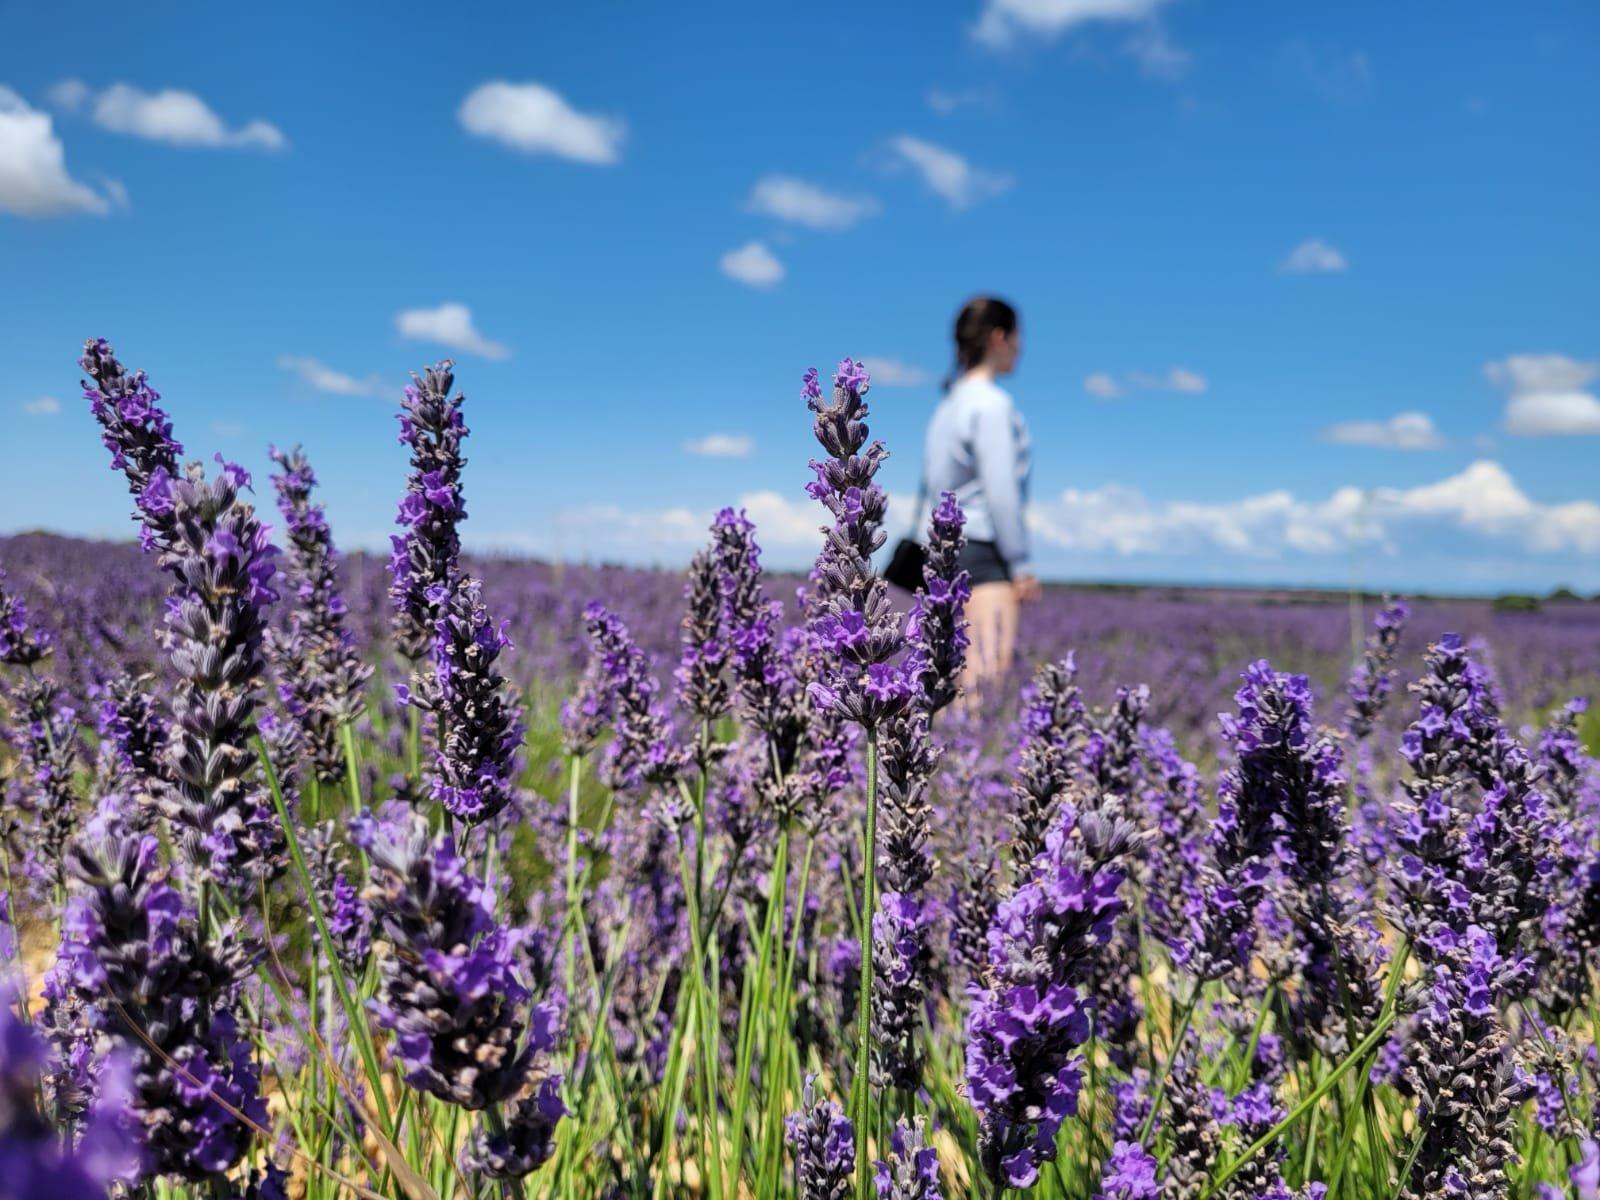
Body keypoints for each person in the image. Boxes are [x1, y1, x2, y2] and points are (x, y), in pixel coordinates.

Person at [920, 296, 1037, 701]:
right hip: (984, 554)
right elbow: (1001, 490)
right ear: (999, 337)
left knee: (944, 684)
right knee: (982, 686)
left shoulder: (947, 406)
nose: (1022, 347)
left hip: (940, 553)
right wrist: (1020, 564)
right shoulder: (993, 405)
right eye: (1019, 337)